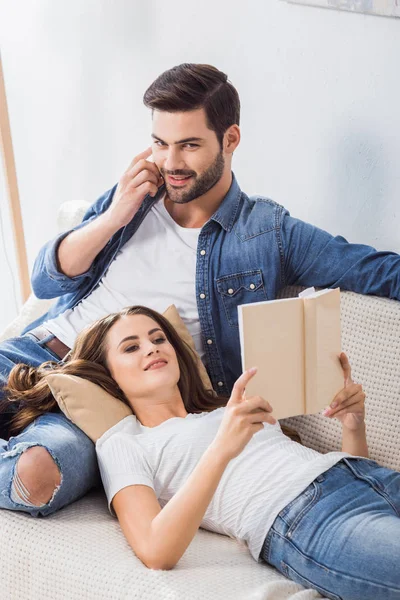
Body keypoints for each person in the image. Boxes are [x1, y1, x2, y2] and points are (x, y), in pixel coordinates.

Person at [1, 62, 400, 517]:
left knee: (33, 478)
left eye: (189, 145)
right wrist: (116, 213)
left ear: (230, 140)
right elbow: (46, 280)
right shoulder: (135, 194)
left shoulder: (268, 232)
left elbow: (377, 270)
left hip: (107, 404)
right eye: (160, 143)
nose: (170, 163)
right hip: (35, 355)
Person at [4, 305, 398, 600]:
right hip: (305, 518)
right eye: (131, 346)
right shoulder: (124, 441)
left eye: (159, 338)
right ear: (109, 374)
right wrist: (221, 449)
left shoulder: (226, 408)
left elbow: (334, 465)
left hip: (365, 478)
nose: (152, 349)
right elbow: (156, 549)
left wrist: (353, 425)